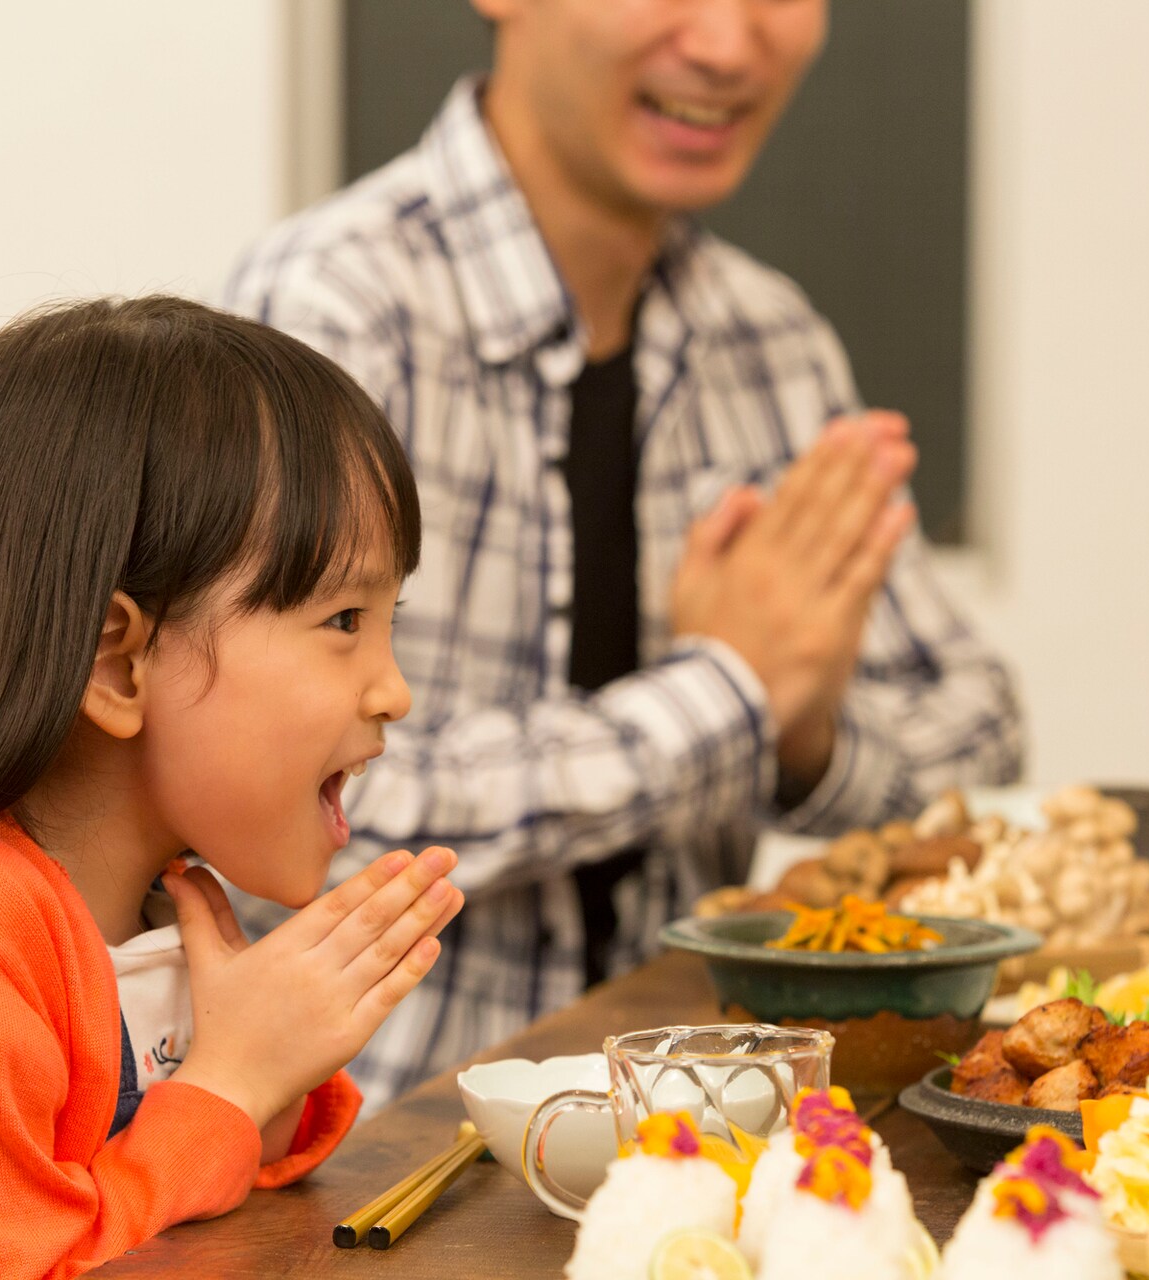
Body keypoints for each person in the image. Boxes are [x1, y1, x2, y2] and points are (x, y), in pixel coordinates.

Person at [224, 0, 1023, 1105]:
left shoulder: (768, 341)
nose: (728, 43)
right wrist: (731, 694)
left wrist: (807, 729)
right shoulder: (330, 315)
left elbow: (983, 737)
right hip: (377, 1133)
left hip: (703, 1109)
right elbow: (284, 800)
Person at [0, 297, 462, 1279]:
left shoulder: (155, 901)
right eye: (344, 620)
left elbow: (176, 1203)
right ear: (118, 661)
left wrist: (273, 1066)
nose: (392, 690)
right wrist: (228, 1088)